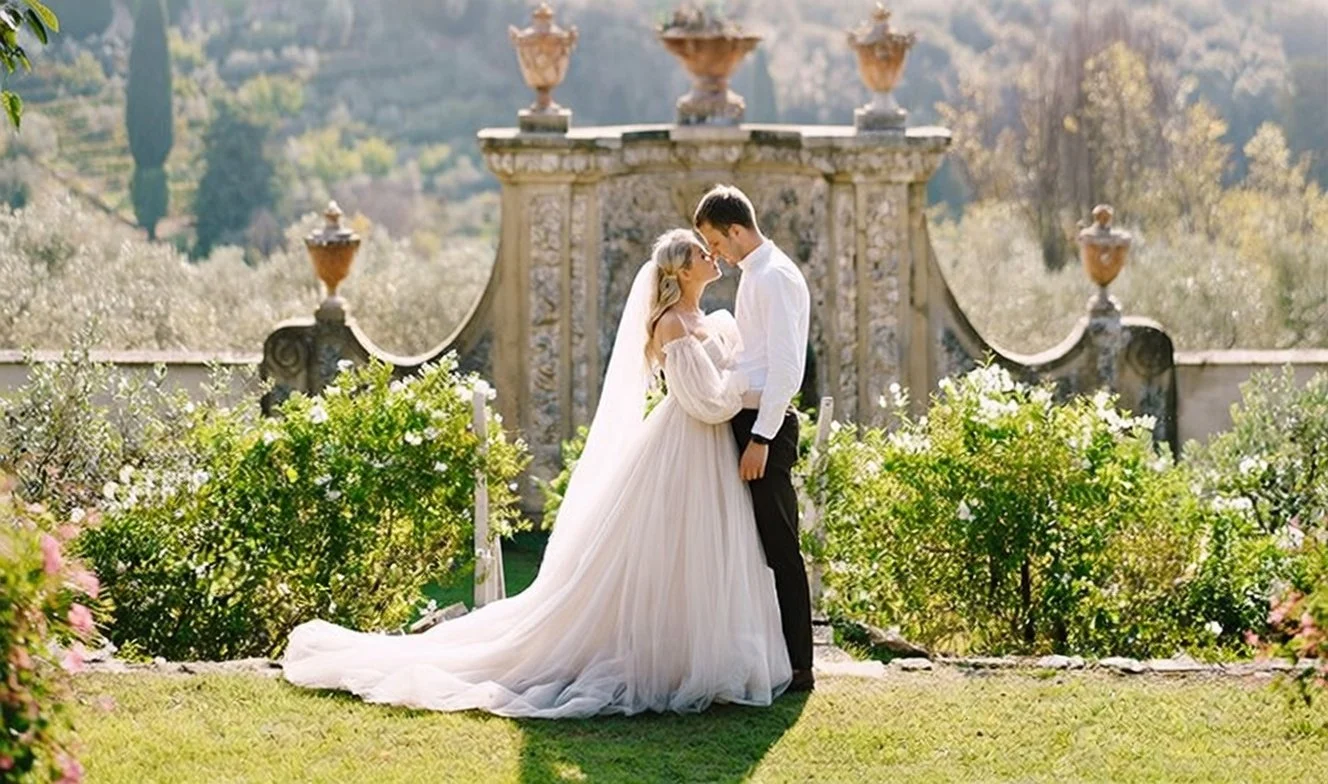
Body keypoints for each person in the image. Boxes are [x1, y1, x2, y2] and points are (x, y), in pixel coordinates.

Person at [281, 227, 793, 718]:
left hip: (710, 452)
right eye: (702, 254)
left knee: (700, 552)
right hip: (685, 444)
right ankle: (669, 660)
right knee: (669, 550)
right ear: (682, 272)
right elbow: (703, 401)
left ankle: (697, 652)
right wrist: (742, 395)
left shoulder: (712, 320)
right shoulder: (672, 326)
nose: (712, 258)